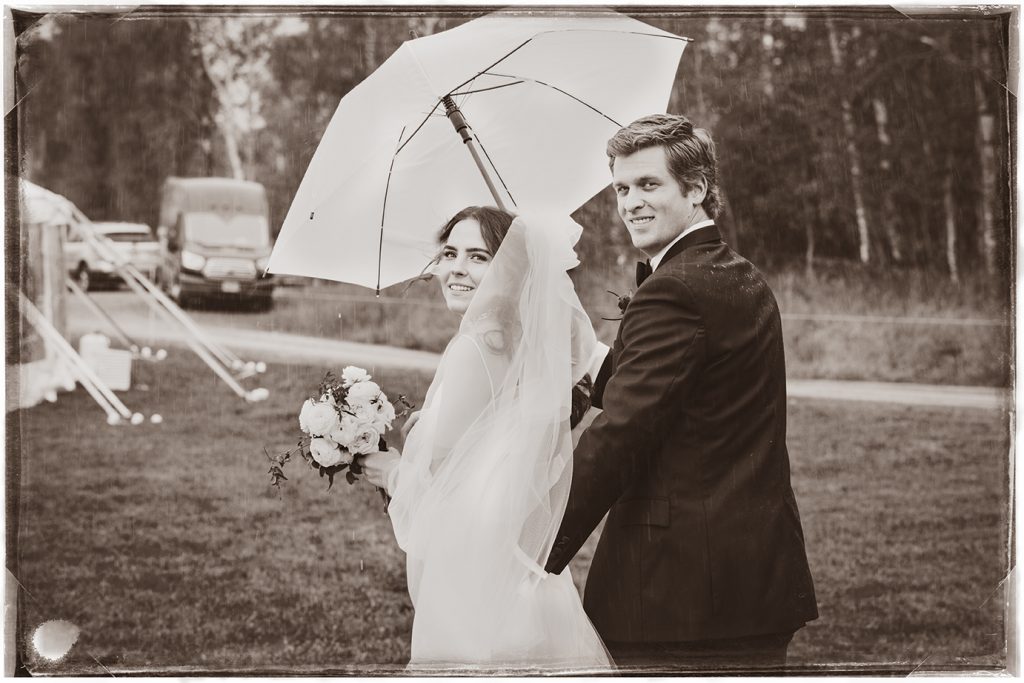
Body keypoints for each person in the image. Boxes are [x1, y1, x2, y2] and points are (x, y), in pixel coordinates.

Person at [543, 114, 818, 672]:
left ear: (695, 189)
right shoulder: (738, 274)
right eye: (621, 187)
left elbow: (621, 432)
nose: (630, 203)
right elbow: (672, 389)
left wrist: (534, 548)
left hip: (680, 590)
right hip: (755, 575)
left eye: (649, 185)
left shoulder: (674, 290)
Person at [358, 206, 611, 672]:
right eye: (450, 252)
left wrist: (391, 470)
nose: (456, 267)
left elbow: (441, 500)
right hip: (522, 575)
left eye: (479, 257)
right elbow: (488, 451)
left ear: (509, 270)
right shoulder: (523, 347)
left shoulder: (474, 347)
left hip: (476, 581)